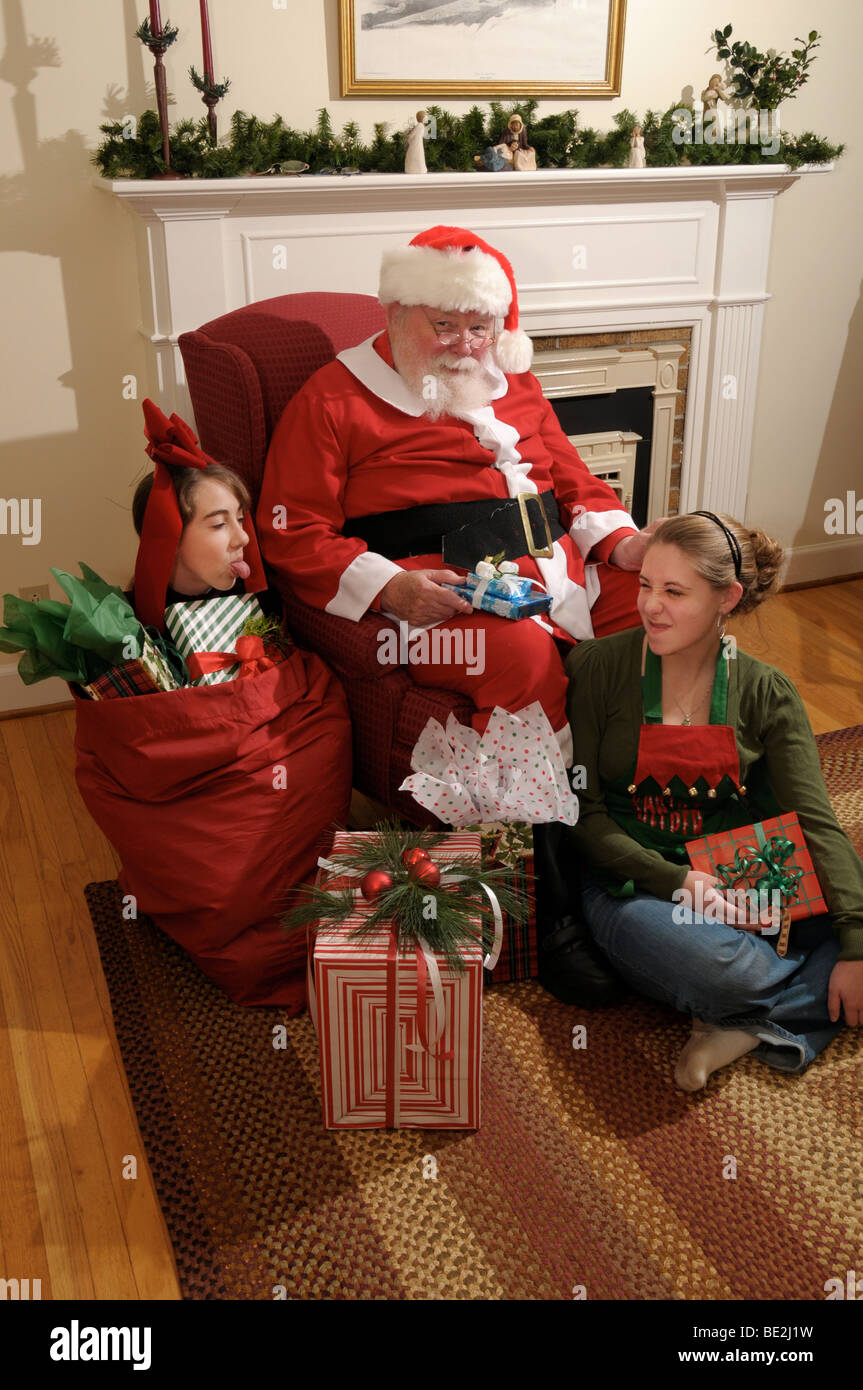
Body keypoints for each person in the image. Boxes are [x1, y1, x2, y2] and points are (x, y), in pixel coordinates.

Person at [257, 223, 657, 761]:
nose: (464, 346)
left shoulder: (517, 383)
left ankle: (657, 789)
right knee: (523, 660)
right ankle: (542, 831)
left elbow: (573, 479)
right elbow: (292, 531)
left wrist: (624, 544)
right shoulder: (331, 399)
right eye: (443, 325)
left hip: (561, 574)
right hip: (443, 604)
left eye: (480, 328)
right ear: (396, 311)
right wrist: (391, 587)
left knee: (666, 613)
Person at [565, 511, 863, 1090]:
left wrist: (855, 945)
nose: (650, 605)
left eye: (674, 591)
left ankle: (738, 1024)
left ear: (726, 598)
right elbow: (584, 813)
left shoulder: (767, 691)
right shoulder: (598, 668)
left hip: (742, 872)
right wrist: (680, 881)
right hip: (637, 886)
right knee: (719, 968)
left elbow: (814, 824)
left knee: (854, 910)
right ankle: (767, 1009)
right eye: (646, 584)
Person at [73, 400, 352, 1012]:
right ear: (169, 534)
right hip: (195, 783)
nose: (241, 538)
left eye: (242, 520)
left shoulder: (262, 606)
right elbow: (133, 745)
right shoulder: (127, 638)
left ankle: (305, 913)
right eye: (218, 523)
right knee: (226, 850)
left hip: (282, 743)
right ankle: (250, 924)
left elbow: (307, 707)